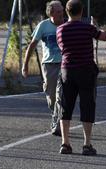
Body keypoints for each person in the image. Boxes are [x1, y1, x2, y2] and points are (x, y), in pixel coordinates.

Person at [56, 0, 106, 155]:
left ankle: (65, 143)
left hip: (67, 70)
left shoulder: (60, 30)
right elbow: (105, 37)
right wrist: (96, 26)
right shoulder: (88, 28)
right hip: (86, 70)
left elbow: (62, 48)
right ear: (81, 11)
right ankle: (87, 144)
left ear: (67, 11)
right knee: (87, 105)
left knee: (66, 106)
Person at [22, 0, 64, 136]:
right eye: (58, 12)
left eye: (62, 10)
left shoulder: (67, 24)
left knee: (61, 95)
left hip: (65, 65)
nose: (62, 13)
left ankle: (58, 123)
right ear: (51, 13)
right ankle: (54, 116)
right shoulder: (43, 26)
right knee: (51, 96)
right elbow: (32, 45)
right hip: (49, 65)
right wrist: (25, 65)